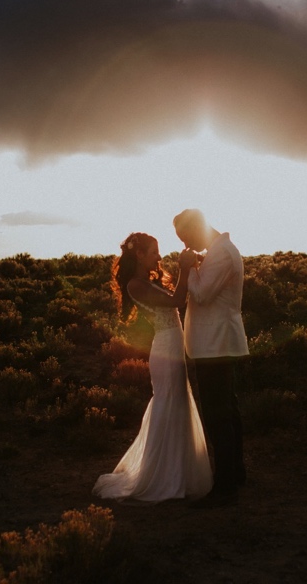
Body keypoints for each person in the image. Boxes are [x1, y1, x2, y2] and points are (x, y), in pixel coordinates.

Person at [93, 232, 213, 503]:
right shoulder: (136, 285)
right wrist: (183, 269)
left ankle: (176, 471)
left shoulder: (147, 280)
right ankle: (162, 475)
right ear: (139, 254)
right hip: (165, 350)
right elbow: (176, 301)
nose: (159, 257)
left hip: (172, 347)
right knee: (168, 405)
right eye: (154, 252)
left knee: (176, 405)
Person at [174, 209, 249, 507]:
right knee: (227, 409)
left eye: (186, 237)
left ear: (198, 229)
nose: (186, 245)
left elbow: (202, 294)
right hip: (215, 343)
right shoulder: (220, 251)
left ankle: (226, 484)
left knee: (219, 413)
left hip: (215, 344)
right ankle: (236, 473)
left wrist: (187, 268)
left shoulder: (221, 254)